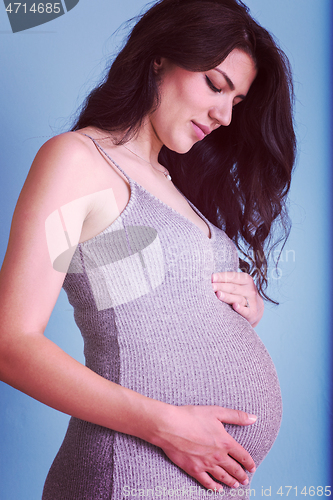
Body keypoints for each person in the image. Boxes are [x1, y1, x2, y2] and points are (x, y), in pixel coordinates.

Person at [0, 0, 295, 498]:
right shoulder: (78, 161)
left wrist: (238, 307)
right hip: (132, 473)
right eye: (216, 85)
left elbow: (141, 303)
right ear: (159, 57)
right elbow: (10, 344)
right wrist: (164, 425)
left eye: (236, 102)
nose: (224, 115)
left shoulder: (173, 183)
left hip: (206, 480)